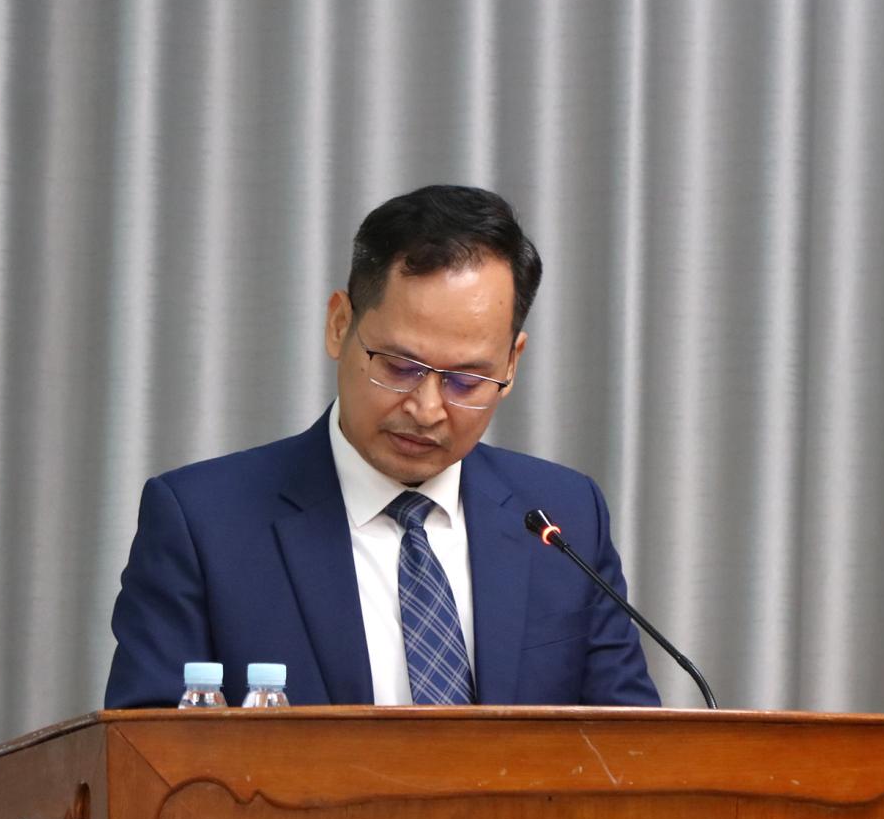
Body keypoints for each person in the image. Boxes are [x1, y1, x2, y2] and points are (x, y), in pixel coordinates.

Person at [104, 185, 659, 708]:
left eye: (466, 380)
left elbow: (637, 750)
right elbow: (146, 759)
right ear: (339, 325)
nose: (427, 408)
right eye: (399, 366)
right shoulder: (204, 524)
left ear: (511, 364)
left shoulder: (564, 517)